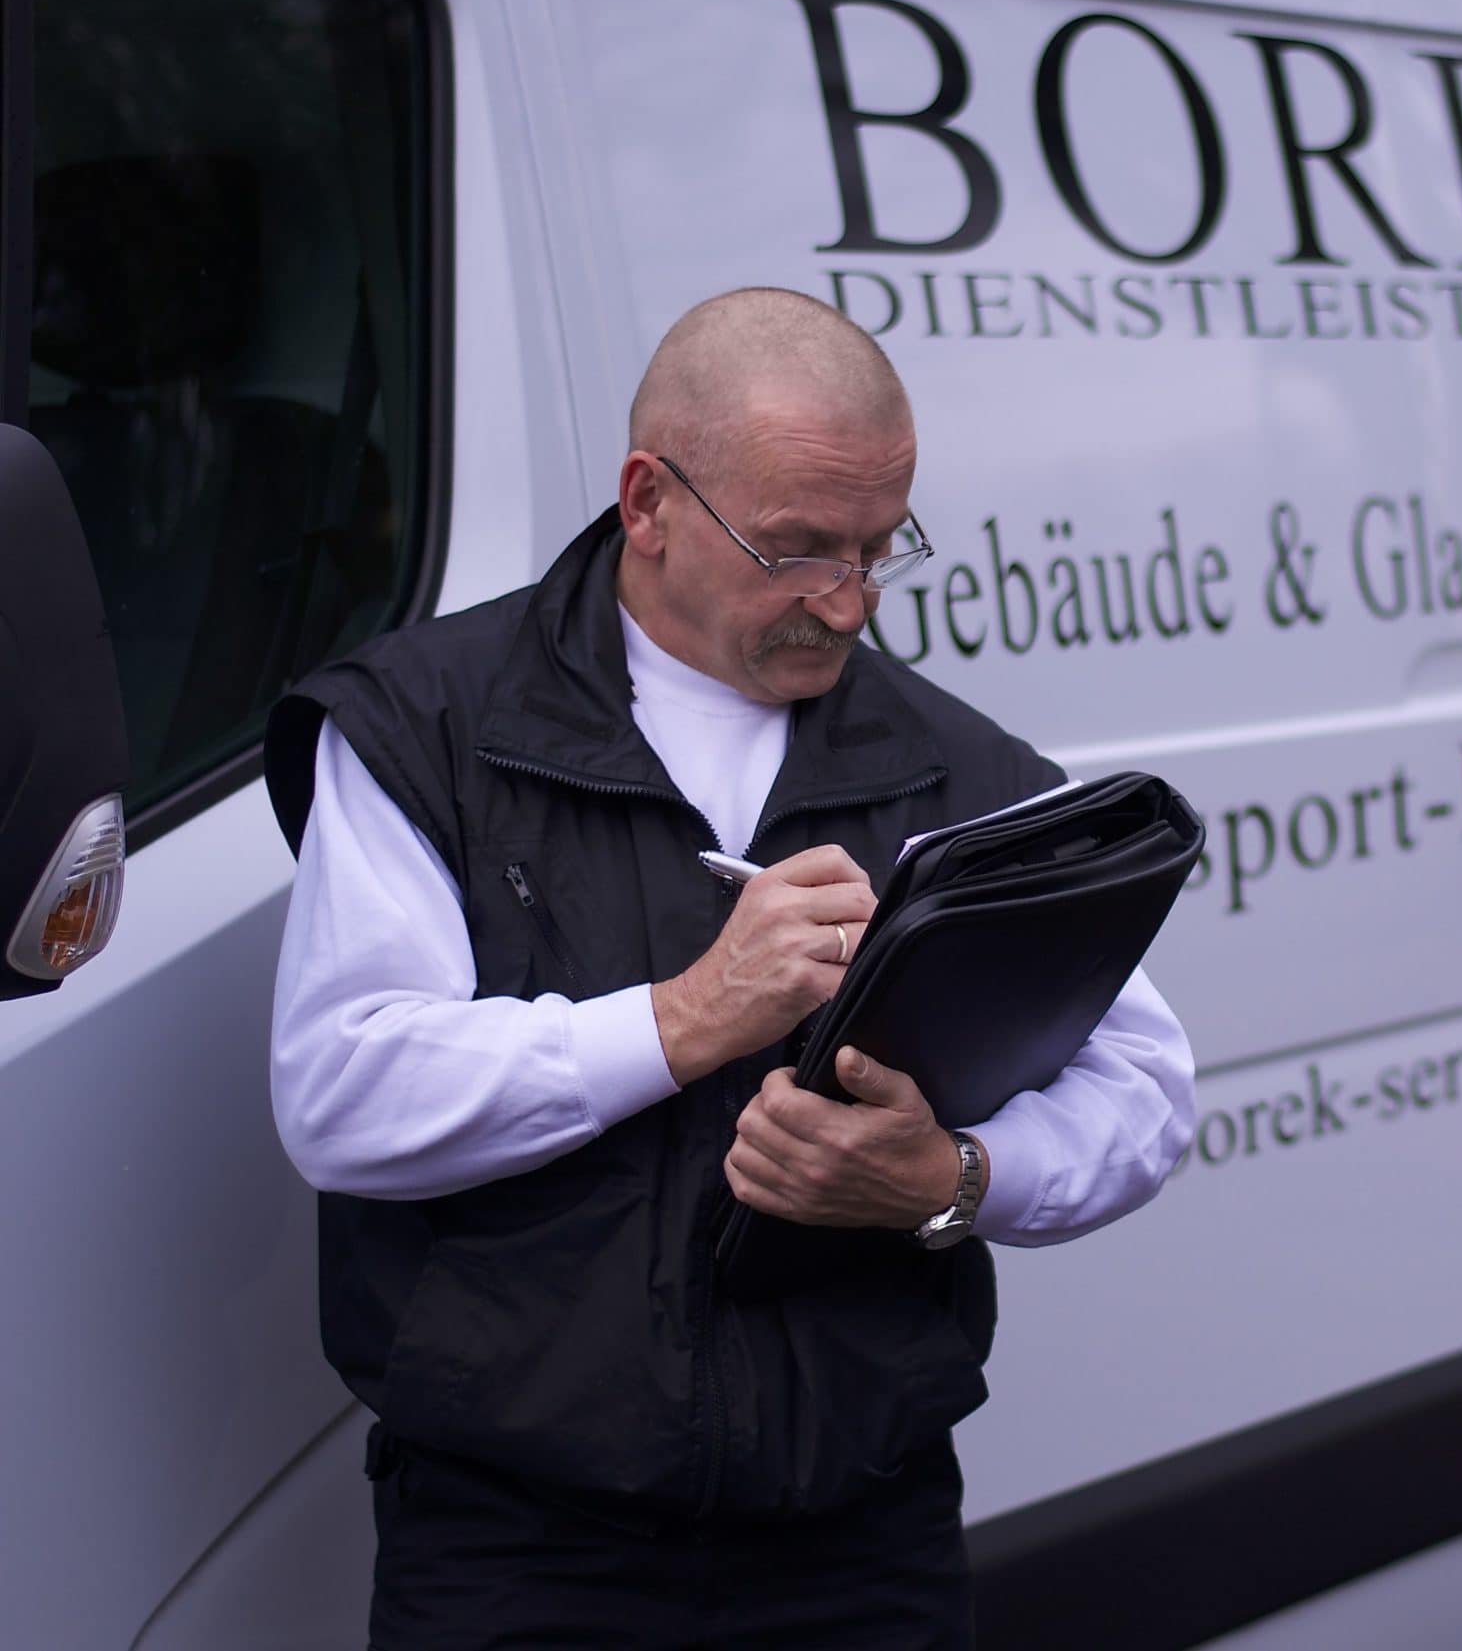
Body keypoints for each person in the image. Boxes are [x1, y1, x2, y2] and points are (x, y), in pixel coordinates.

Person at [262, 287, 1196, 1648]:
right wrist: (687, 1016)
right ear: (648, 500)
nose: (849, 600)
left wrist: (953, 1180)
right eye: (800, 548)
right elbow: (340, 1092)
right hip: (523, 1556)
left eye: (883, 548)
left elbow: (1149, 1092)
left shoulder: (963, 769)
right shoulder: (422, 726)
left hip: (860, 1546)